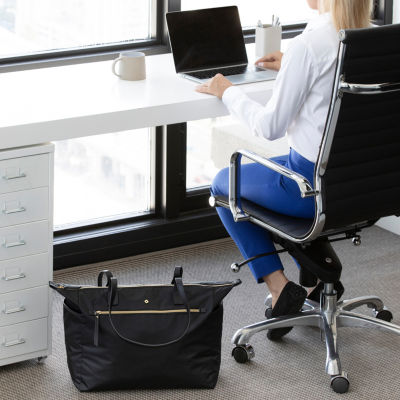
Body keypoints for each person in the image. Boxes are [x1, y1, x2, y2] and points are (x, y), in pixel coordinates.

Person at [196, 0, 373, 340]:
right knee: (261, 176)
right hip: (364, 185)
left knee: (224, 183)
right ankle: (319, 284)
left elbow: (269, 127)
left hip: (309, 189)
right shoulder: (376, 38)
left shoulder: (310, 44)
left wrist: (228, 92)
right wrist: (292, 67)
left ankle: (280, 288)